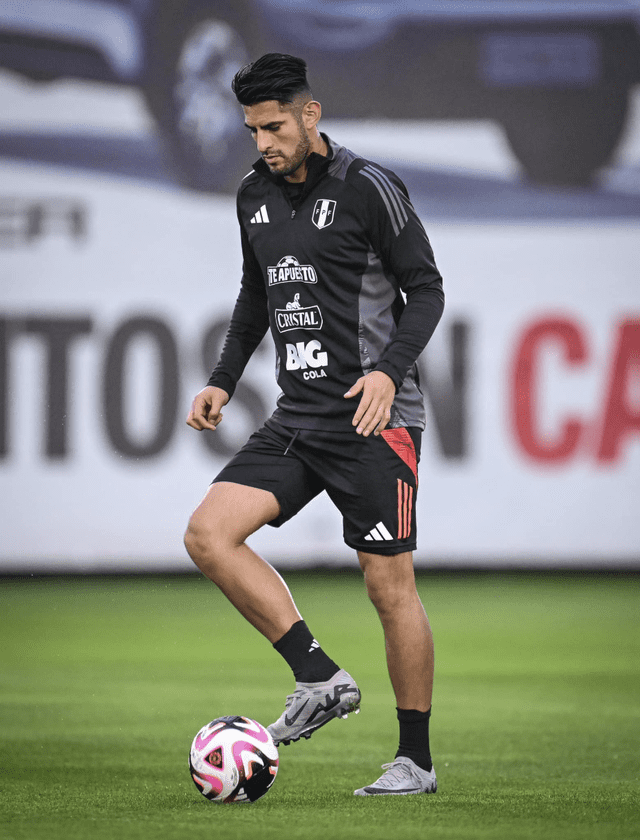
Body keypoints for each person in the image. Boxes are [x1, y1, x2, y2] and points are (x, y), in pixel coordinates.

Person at [184, 53, 444, 796]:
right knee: (208, 534)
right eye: (252, 130)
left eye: (274, 126)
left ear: (310, 115)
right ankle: (317, 675)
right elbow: (253, 298)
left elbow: (425, 290)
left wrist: (388, 370)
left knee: (389, 588)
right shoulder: (252, 196)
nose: (264, 141)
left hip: (375, 420)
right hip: (297, 417)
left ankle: (415, 763)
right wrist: (221, 380)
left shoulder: (369, 187)